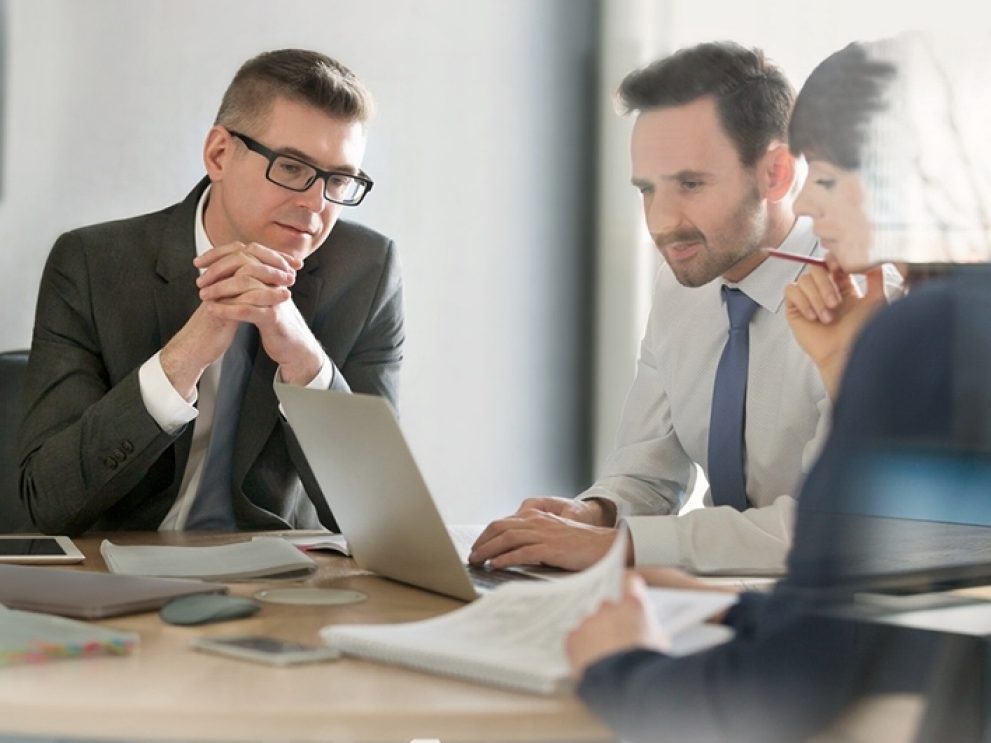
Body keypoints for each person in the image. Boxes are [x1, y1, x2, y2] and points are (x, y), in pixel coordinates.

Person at [566, 33, 991, 743]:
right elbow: (882, 594)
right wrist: (735, 609)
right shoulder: (947, 323)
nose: (810, 205)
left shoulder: (926, 333)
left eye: (827, 175)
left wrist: (616, 666)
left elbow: (786, 691)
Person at [472, 42, 836, 575]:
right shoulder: (682, 286)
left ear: (776, 174)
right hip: (721, 596)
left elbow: (833, 528)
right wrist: (595, 514)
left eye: (690, 184)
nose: (662, 222)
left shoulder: (866, 304)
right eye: (647, 190)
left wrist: (621, 546)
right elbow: (649, 472)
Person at [17, 49, 404, 535]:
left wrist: (304, 359)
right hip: (122, 568)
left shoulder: (366, 271)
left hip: (287, 572)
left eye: (339, 180)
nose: (314, 204)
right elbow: (46, 503)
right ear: (219, 154)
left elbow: (380, 517)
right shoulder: (93, 265)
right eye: (291, 167)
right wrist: (187, 353)